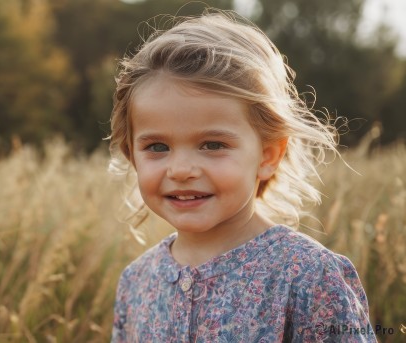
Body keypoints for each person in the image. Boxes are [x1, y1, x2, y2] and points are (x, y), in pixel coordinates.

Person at [107, 10, 376, 342]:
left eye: (213, 144)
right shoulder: (136, 282)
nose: (180, 170)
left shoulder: (308, 276)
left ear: (268, 155)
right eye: (157, 147)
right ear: (130, 153)